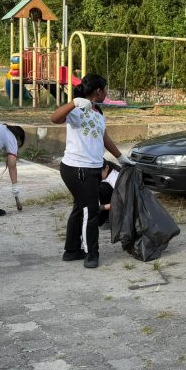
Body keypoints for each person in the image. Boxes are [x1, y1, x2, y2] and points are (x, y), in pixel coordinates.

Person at [50, 73, 132, 269]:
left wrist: (121, 157)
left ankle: (71, 251)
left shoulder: (98, 111)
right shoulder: (77, 109)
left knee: (80, 208)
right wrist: (74, 103)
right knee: (90, 210)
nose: (106, 93)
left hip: (93, 167)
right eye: (105, 89)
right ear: (98, 90)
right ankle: (91, 253)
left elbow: (104, 138)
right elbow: (54, 118)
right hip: (77, 168)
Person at [97, 160, 120, 227]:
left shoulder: (115, 177)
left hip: (118, 205)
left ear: (107, 168)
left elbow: (124, 200)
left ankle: (107, 218)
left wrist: (105, 207)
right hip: (107, 205)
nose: (97, 175)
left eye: (98, 172)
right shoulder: (104, 175)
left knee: (102, 187)